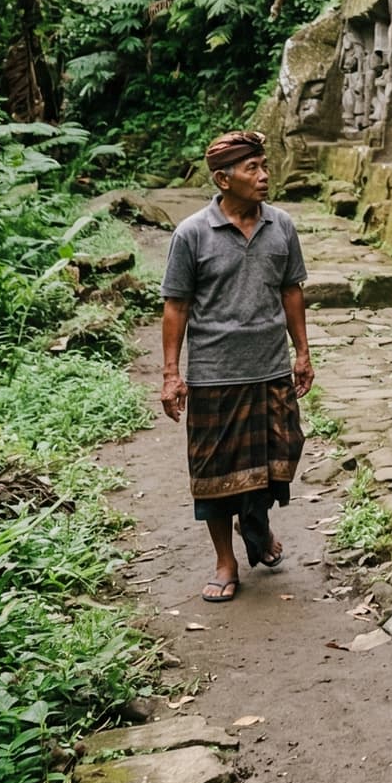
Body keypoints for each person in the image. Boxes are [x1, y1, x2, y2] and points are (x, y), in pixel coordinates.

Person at [160, 130, 312, 603]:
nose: (265, 176)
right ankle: (226, 562)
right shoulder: (192, 234)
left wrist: (302, 352)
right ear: (224, 180)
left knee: (275, 461)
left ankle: (258, 528)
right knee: (214, 474)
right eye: (253, 169)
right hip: (215, 374)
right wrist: (171, 374)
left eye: (265, 166)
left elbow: (292, 291)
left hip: (269, 369)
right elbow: (176, 306)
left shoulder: (281, 225)